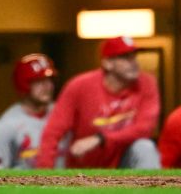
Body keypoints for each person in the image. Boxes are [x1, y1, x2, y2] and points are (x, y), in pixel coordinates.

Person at [36, 36, 161, 169]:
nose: (133, 62)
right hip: (86, 165)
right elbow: (53, 132)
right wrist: (44, 175)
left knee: (144, 147)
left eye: (134, 56)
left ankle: (152, 189)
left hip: (123, 163)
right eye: (125, 57)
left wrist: (100, 139)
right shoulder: (79, 85)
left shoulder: (147, 83)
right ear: (107, 63)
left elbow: (144, 129)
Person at [0, 54, 58, 170]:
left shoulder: (63, 113)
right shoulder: (6, 125)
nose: (47, 86)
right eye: (39, 81)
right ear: (24, 84)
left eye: (49, 80)